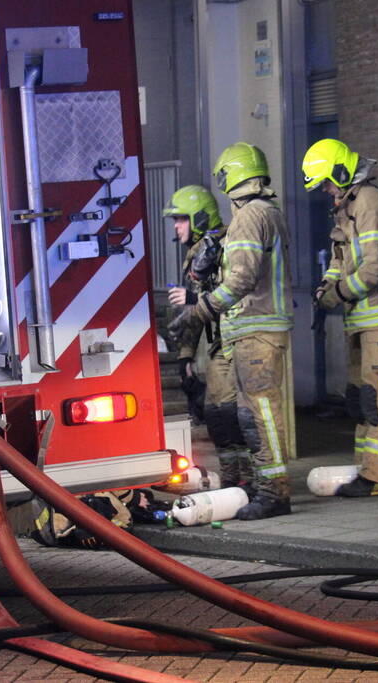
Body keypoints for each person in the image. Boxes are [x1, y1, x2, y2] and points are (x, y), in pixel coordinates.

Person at [181, 142, 294, 520]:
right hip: (260, 328)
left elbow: (242, 278)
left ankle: (274, 493)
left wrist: (203, 307)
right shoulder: (269, 212)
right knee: (255, 414)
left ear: (231, 175)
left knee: (258, 415)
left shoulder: (249, 216)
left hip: (255, 328)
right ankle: (267, 488)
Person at [303, 138, 378, 497]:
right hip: (359, 319)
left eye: (326, 183)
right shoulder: (346, 205)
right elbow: (341, 260)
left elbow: (376, 267)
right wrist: (326, 286)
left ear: (340, 171)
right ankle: (366, 470)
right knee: (360, 401)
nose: (326, 191)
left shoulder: (369, 202)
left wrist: (337, 294)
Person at [163, 185, 253, 490]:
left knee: (232, 415)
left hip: (236, 340)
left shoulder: (225, 247)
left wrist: (194, 298)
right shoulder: (197, 254)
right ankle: (232, 479)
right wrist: (186, 356)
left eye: (181, 219)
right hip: (217, 345)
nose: (176, 227)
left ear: (199, 218)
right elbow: (193, 313)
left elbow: (232, 292)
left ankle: (250, 478)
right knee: (216, 415)